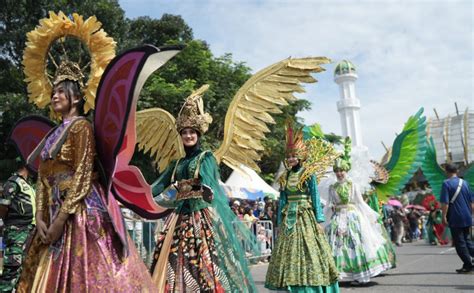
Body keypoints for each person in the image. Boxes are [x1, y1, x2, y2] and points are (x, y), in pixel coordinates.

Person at [16, 62, 155, 292]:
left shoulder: (82, 128)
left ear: (77, 98)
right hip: (51, 213)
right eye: (53, 92)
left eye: (61, 91)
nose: (55, 96)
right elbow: (42, 177)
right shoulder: (52, 134)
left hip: (78, 212)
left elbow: (82, 174)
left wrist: (60, 220)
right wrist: (39, 216)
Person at [149, 91, 257, 292]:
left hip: (200, 218)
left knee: (204, 262)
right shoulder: (177, 163)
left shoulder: (205, 158)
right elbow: (157, 185)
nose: (188, 136)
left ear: (198, 134)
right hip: (178, 218)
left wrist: (183, 189)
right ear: (180, 135)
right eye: (184, 132)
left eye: (192, 132)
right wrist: (132, 192)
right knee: (173, 258)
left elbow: (209, 187)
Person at [265, 122, 339, 292]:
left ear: (301, 156)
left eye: (294, 156)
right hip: (289, 218)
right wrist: (279, 221)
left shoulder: (308, 174)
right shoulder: (284, 177)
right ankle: (290, 284)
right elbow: (282, 200)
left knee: (309, 250)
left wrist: (320, 219)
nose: (291, 159)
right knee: (288, 251)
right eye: (289, 156)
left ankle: (310, 286)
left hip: (305, 216)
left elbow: (314, 196)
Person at [325, 138, 392, 284]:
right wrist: (325, 219)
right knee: (337, 245)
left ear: (346, 170)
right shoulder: (331, 187)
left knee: (356, 243)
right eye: (337, 171)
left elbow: (360, 202)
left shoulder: (352, 185)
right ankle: (341, 275)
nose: (339, 173)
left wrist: (371, 215)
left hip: (353, 217)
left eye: (341, 170)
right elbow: (329, 205)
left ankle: (360, 274)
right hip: (337, 218)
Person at [0, 158, 36, 292]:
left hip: (28, 231)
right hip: (16, 231)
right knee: (12, 269)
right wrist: (8, 223)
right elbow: (3, 206)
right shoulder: (13, 182)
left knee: (23, 269)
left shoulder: (29, 186)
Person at [441, 163, 474, 274]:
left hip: (455, 217)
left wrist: (444, 216)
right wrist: (470, 215)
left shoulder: (446, 184)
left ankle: (468, 265)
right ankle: (468, 263)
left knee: (459, 242)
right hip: (467, 216)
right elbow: (471, 203)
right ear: (457, 171)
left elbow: (445, 203)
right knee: (468, 240)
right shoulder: (465, 183)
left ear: (446, 171)